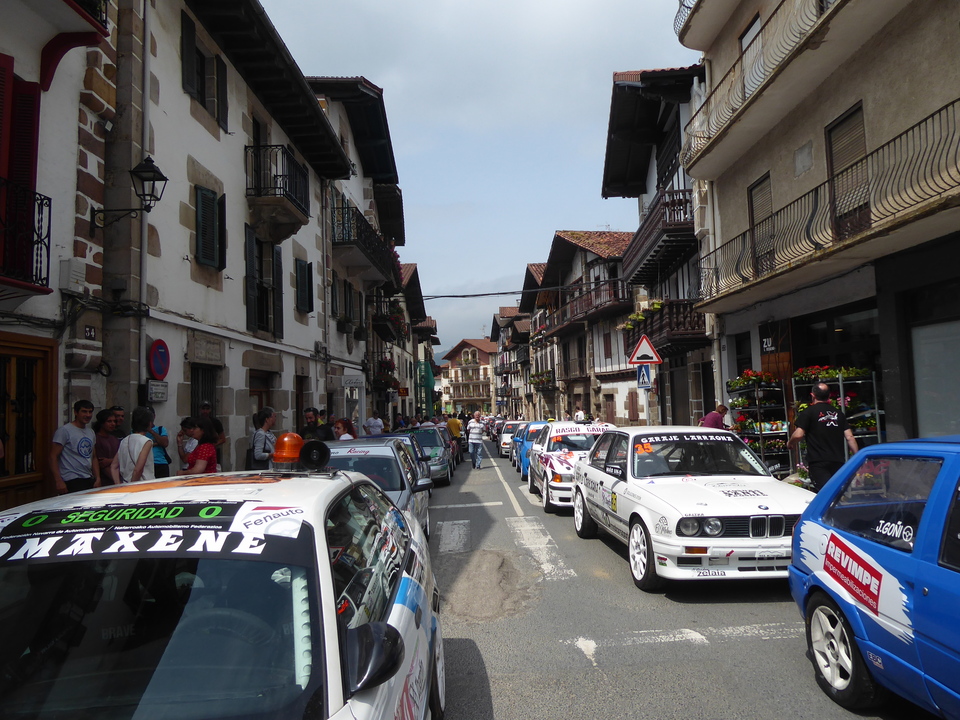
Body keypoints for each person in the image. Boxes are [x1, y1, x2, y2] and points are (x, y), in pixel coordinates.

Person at [788, 382, 859, 491]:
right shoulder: (838, 413)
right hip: (837, 461)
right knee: (836, 492)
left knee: (824, 492)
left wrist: (790, 443)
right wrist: (857, 456)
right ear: (829, 396)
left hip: (818, 461)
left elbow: (798, 435)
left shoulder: (809, 412)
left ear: (813, 395)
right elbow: (850, 437)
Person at [51, 399, 100, 493]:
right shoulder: (64, 431)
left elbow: (93, 457)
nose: (88, 415)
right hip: (71, 479)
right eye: (84, 411)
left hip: (88, 478)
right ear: (76, 412)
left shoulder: (91, 432)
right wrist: (58, 480)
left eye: (90, 412)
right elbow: (53, 456)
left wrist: (97, 478)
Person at [115, 406, 155, 483]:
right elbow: (138, 469)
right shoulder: (147, 441)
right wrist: (132, 485)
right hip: (143, 484)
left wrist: (118, 485)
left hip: (125, 483)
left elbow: (114, 466)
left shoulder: (124, 440)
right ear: (149, 424)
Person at [93, 409, 121, 485]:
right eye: (109, 421)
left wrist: (110, 461)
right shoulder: (97, 439)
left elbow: (121, 458)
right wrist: (117, 481)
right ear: (102, 423)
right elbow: (102, 464)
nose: (113, 424)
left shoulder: (114, 439)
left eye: (114, 421)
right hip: (105, 481)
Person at [199, 400, 226, 467]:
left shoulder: (216, 422)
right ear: (200, 409)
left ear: (210, 410)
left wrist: (211, 445)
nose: (205, 411)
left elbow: (223, 439)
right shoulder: (196, 421)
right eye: (203, 409)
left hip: (212, 452)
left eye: (207, 409)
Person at [146, 410, 172, 478]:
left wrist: (151, 431)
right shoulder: (136, 431)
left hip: (160, 463)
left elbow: (165, 443)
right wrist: (156, 443)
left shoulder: (160, 429)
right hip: (145, 463)